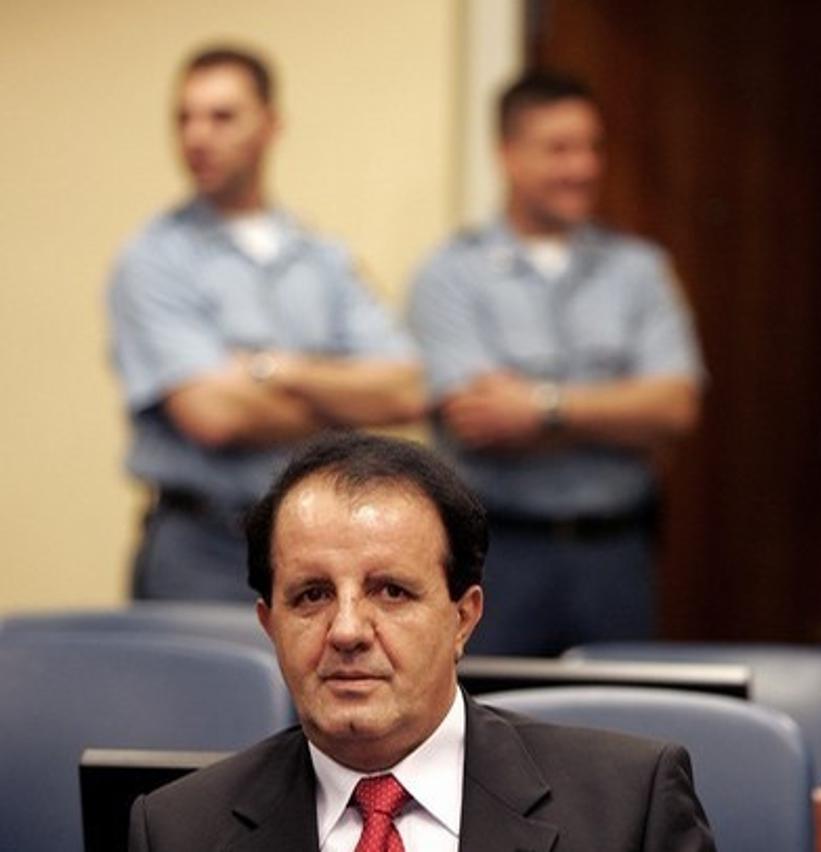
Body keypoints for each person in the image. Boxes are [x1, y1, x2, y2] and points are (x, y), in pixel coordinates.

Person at [127, 432, 716, 851]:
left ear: (463, 618)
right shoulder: (179, 830)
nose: (348, 631)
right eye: (312, 596)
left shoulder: (626, 806)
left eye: (391, 592)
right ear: (269, 625)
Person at [108, 46, 425, 602]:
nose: (197, 136)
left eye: (222, 116)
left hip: (320, 550)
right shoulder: (153, 258)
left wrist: (271, 368)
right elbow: (215, 415)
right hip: (203, 547)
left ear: (271, 124)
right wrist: (345, 403)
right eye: (185, 118)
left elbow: (408, 389)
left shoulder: (322, 258)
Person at [407, 71, 704, 655]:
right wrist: (619, 415)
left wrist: (542, 406)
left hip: (615, 554)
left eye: (592, 147)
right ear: (509, 155)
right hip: (495, 559)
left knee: (614, 735)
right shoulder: (451, 273)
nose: (584, 166)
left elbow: (675, 406)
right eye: (560, 149)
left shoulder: (639, 270)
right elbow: (477, 419)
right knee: (492, 733)